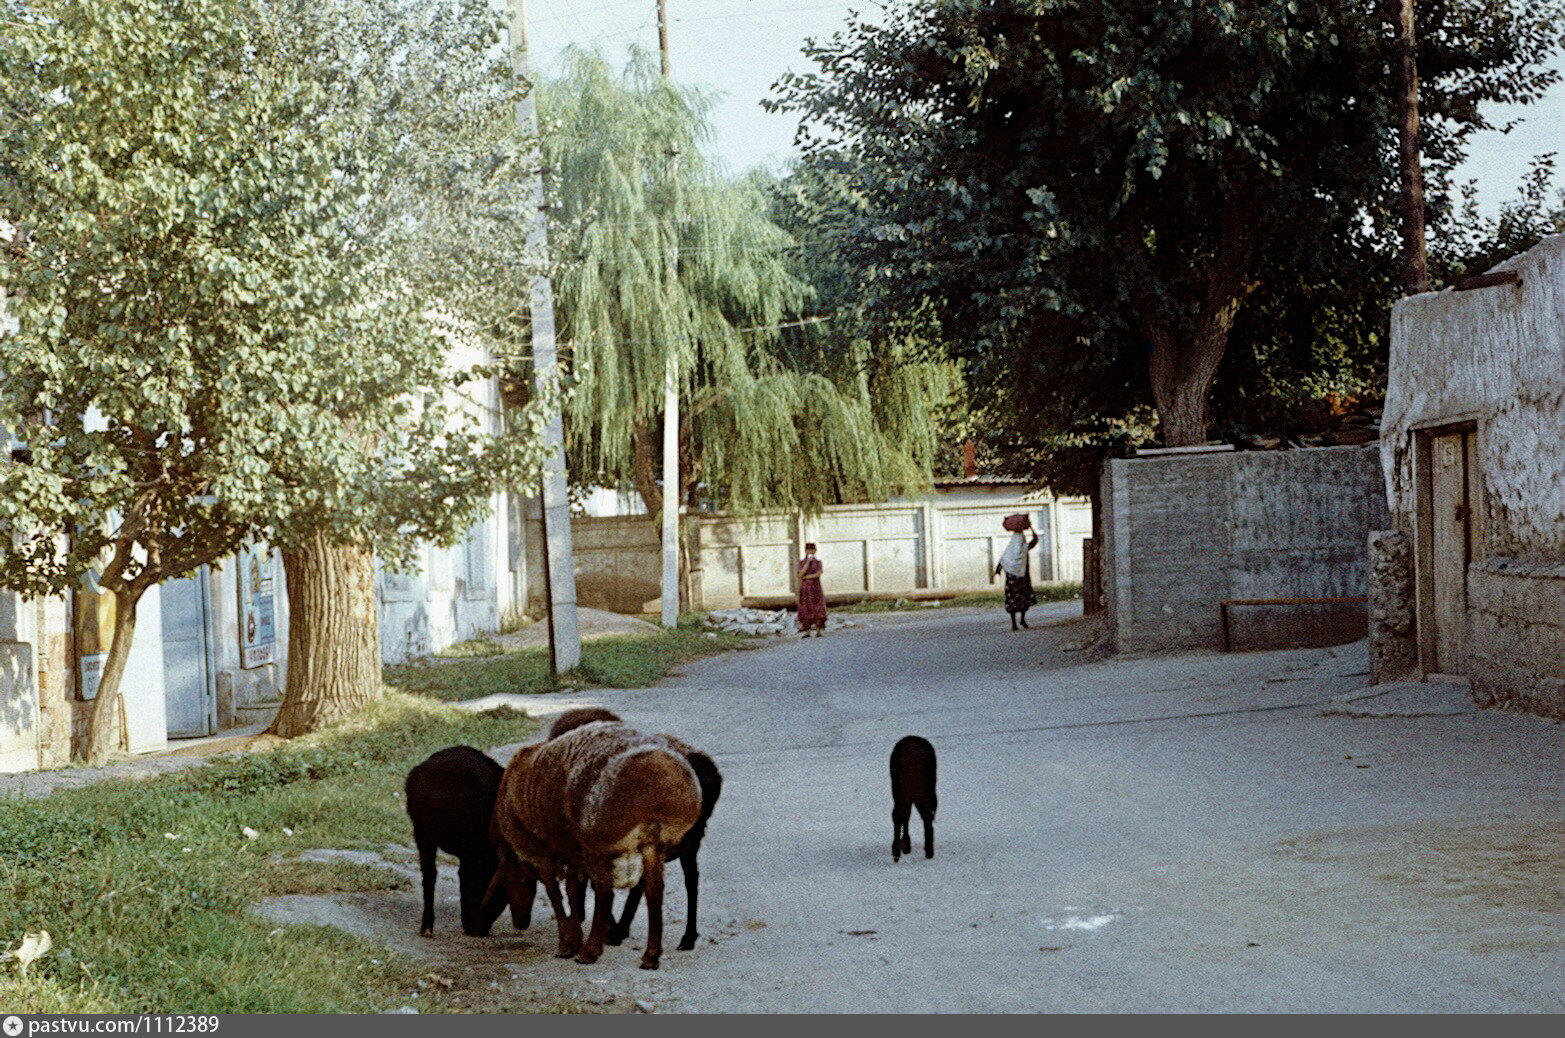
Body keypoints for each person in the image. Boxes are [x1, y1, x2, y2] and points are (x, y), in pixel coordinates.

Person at [995, 519, 1039, 630]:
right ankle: (1022, 620)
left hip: (1011, 580)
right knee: (1024, 599)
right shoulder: (1024, 548)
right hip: (1022, 577)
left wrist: (997, 571)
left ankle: (1014, 623)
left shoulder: (1009, 551)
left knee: (1012, 601)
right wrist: (1031, 529)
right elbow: (1035, 540)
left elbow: (1002, 562)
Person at [796, 542, 827, 636]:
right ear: (805, 551)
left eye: (812, 550)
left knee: (818, 607)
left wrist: (807, 577)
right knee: (805, 607)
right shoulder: (801, 563)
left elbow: (818, 573)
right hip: (805, 589)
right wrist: (807, 563)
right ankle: (807, 631)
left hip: (815, 587)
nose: (810, 552)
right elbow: (800, 574)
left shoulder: (818, 563)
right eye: (809, 550)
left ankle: (818, 630)